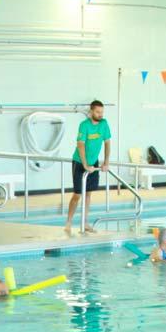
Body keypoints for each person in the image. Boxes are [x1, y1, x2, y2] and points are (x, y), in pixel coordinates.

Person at [64, 99, 111, 234]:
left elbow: (107, 143)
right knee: (77, 194)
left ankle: (85, 222)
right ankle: (68, 222)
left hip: (93, 162)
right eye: (97, 112)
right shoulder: (84, 125)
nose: (100, 114)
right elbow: (81, 145)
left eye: (102, 112)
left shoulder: (104, 124)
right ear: (91, 112)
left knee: (88, 193)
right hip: (79, 162)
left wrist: (106, 162)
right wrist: (85, 164)